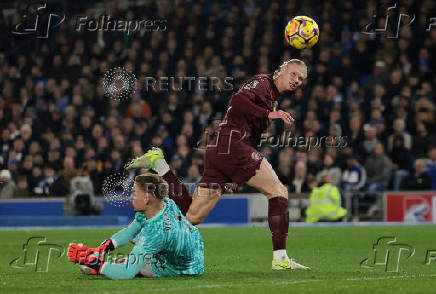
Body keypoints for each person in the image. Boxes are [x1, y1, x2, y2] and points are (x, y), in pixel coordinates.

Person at [126, 59, 309, 270]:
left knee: (190, 216)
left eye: (301, 79)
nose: (297, 80)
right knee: (278, 191)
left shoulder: (272, 96)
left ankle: (159, 167)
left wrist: (237, 175)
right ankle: (280, 258)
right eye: (294, 74)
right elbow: (239, 101)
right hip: (232, 146)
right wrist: (269, 114)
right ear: (282, 69)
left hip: (221, 150)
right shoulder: (263, 83)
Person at [67, 173, 204, 279]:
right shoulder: (164, 202)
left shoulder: (156, 233)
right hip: (192, 241)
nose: (131, 196)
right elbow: (129, 232)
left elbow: (126, 273)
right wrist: (100, 249)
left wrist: (91, 262)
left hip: (184, 267)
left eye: (135, 192)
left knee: (125, 265)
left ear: (147, 198)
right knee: (136, 243)